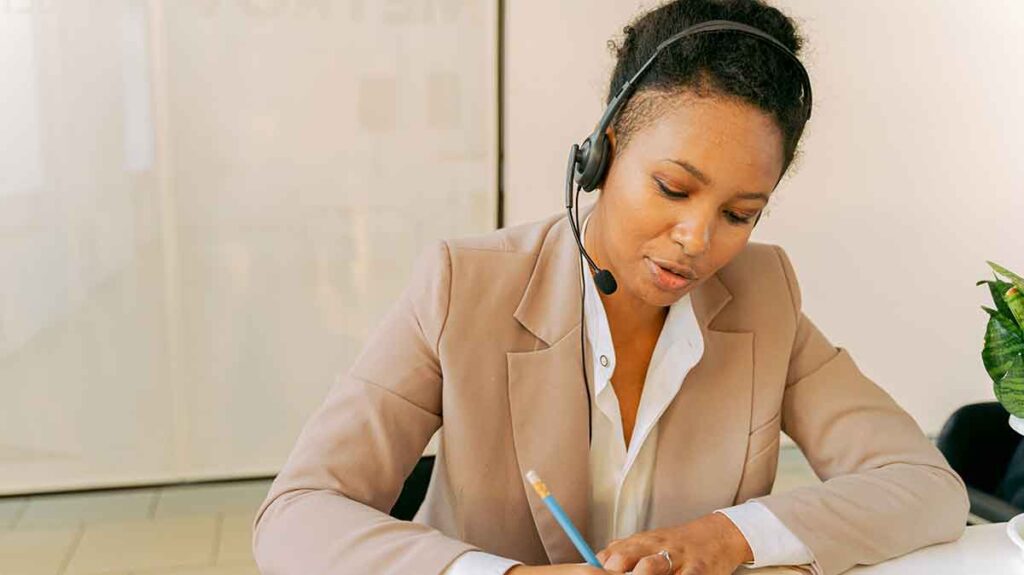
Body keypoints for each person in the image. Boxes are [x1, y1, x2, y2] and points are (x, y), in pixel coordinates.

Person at [252, 1, 969, 574]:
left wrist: (729, 536)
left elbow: (926, 485)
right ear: (603, 152)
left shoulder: (764, 296)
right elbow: (296, 514)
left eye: (739, 213)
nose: (697, 238)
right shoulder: (462, 285)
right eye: (672, 187)